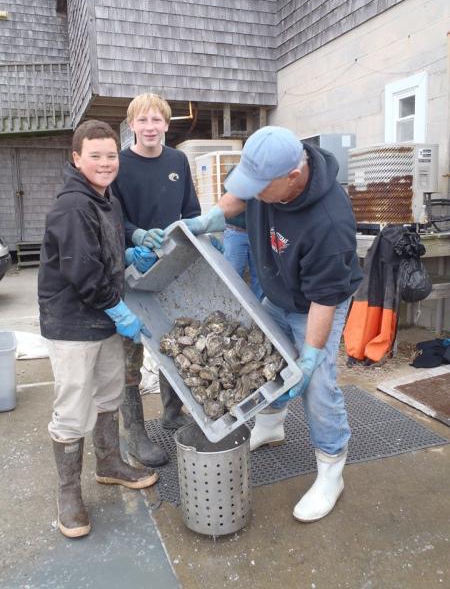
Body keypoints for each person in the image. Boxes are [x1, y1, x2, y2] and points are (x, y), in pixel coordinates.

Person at [182, 126, 362, 522]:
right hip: (279, 290)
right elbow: (238, 198)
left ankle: (331, 469)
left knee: (316, 384)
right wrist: (209, 218)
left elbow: (323, 301)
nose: (255, 193)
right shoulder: (268, 180)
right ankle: (271, 425)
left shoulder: (329, 222)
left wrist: (311, 356)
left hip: (316, 303)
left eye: (261, 186)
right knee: (262, 358)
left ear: (293, 176)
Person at [38, 120, 159, 539]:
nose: (106, 163)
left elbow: (101, 249)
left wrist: (126, 252)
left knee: (108, 394)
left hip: (104, 318)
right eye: (96, 155)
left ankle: (109, 462)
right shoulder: (72, 205)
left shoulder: (106, 199)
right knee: (73, 408)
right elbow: (82, 270)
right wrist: (121, 310)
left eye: (111, 155)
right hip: (72, 322)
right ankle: (68, 493)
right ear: (76, 158)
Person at [112, 93, 201, 467]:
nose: (150, 127)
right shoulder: (120, 163)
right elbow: (112, 217)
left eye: (157, 120)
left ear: (167, 124)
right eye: (142, 120)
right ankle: (135, 434)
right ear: (131, 125)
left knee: (175, 338)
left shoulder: (178, 160)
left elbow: (192, 211)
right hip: (133, 267)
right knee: (132, 348)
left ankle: (171, 410)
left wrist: (199, 236)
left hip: (173, 266)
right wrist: (134, 237)